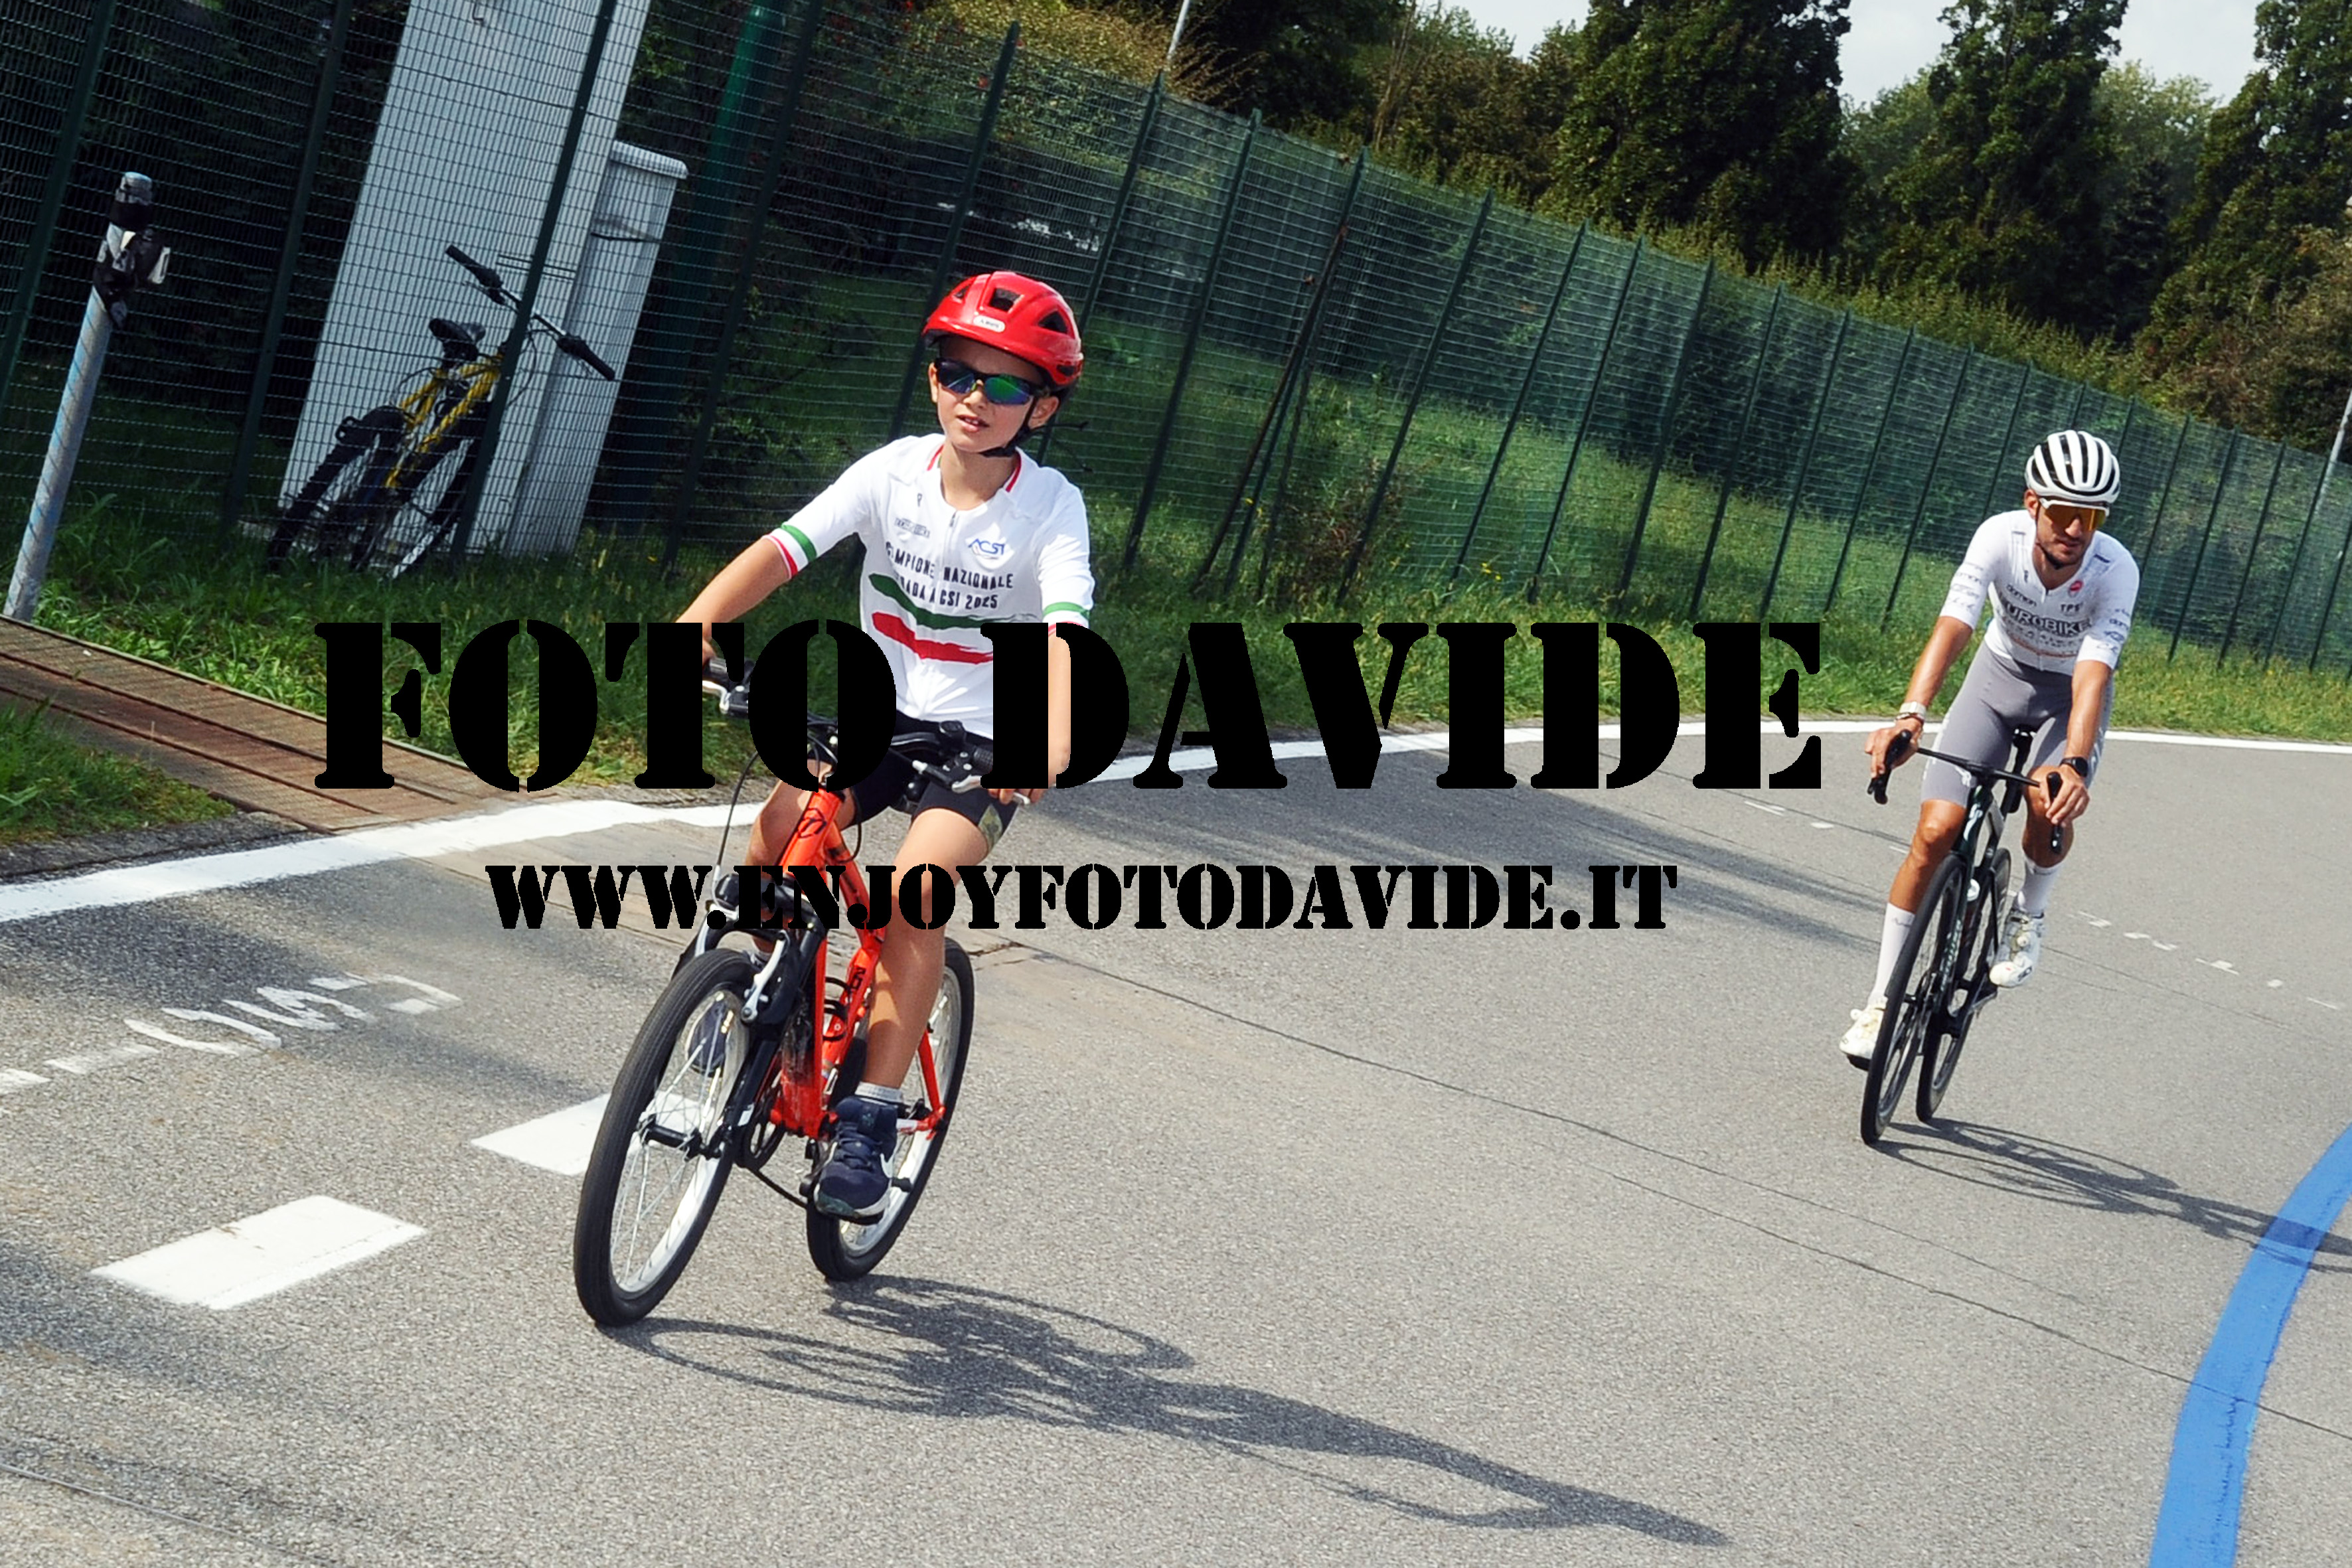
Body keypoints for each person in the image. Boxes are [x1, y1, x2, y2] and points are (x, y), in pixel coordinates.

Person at [677, 271, 1091, 1215]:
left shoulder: (1050, 508)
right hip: (883, 715)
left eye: (1005, 385)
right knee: (780, 829)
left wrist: (1048, 737)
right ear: (935, 378)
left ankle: (869, 1112)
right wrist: (699, 620)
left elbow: (1066, 628)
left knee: (914, 893)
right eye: (958, 374)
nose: (975, 398)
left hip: (984, 740)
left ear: (1041, 409)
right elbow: (785, 548)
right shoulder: (892, 471)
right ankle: (758, 1003)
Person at [1842, 430, 2140, 1065]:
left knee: (2045, 799)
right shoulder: (1997, 537)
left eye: (2091, 517)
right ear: (2033, 503)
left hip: (2067, 696)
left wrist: (2074, 764)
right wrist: (1910, 715)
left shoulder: (2115, 571)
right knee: (1935, 832)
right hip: (1997, 678)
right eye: (2063, 512)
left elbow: (2093, 674)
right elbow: (1955, 624)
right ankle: (1879, 1005)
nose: (2076, 529)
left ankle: (2028, 914)